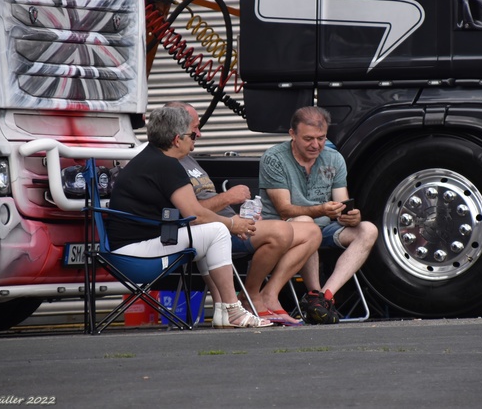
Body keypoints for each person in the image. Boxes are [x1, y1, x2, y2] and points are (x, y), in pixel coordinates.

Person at [107, 106, 272, 328]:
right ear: (177, 139)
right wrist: (233, 224)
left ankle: (225, 310)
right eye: (192, 134)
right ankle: (231, 309)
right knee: (217, 231)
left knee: (208, 234)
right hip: (137, 257)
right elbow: (195, 215)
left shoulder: (150, 159)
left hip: (131, 249)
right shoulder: (166, 165)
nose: (195, 138)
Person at [167, 102, 321, 326]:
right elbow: (191, 212)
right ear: (177, 131)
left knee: (312, 232)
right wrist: (229, 201)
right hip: (214, 229)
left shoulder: (188, 157)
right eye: (195, 129)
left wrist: (242, 212)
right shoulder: (169, 163)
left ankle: (267, 294)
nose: (199, 133)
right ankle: (252, 296)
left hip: (228, 222)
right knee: (280, 231)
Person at [259, 105, 378, 324]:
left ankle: (323, 298)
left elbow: (342, 204)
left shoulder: (334, 159)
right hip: (284, 227)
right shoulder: (274, 158)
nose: (316, 145)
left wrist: (350, 216)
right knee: (306, 223)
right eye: (308, 139)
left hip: (322, 226)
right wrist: (321, 210)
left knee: (368, 230)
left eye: (321, 138)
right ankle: (314, 293)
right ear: (292, 134)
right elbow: (284, 209)